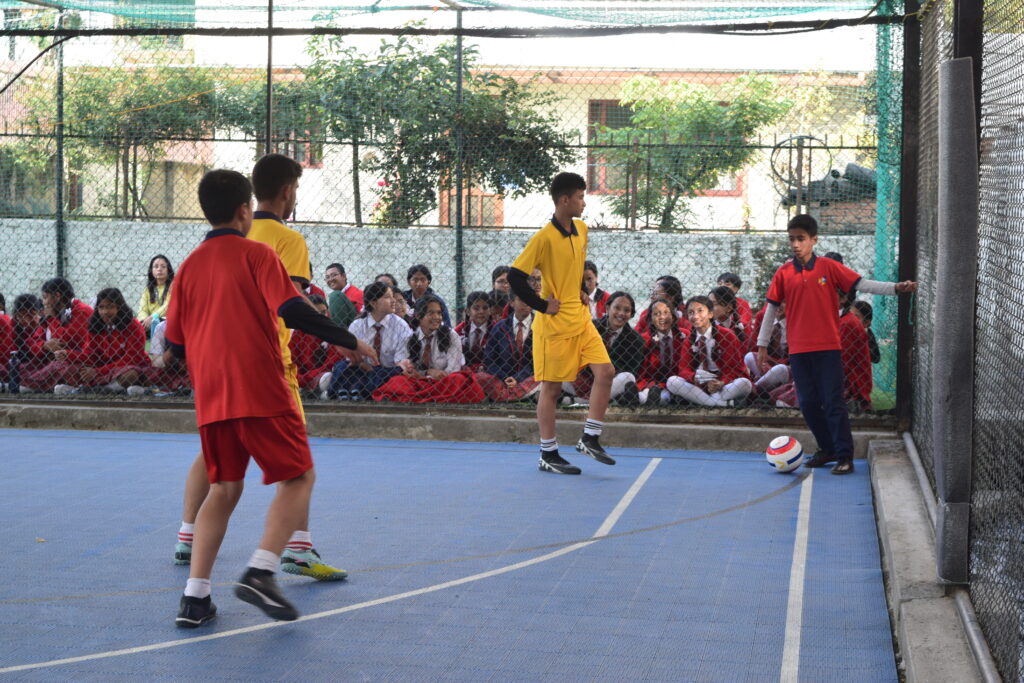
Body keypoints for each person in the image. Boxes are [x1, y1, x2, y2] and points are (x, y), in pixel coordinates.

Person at [169, 169, 376, 628]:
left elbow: (175, 343)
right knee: (298, 477)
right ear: (244, 211)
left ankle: (195, 598)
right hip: (261, 386)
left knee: (223, 490)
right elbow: (292, 309)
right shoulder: (259, 254)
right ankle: (263, 569)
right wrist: (348, 338)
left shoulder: (187, 267)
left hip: (212, 396)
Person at [756, 214, 916, 475]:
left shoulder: (829, 267)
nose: (795, 244)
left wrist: (896, 288)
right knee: (807, 403)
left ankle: (844, 455)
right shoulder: (784, 273)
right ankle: (827, 448)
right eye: (792, 239)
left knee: (833, 402)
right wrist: (762, 345)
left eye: (801, 239)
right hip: (798, 350)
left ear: (814, 240)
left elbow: (862, 284)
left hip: (828, 349)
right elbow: (771, 309)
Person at [507, 171, 616, 475]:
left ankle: (590, 437)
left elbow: (573, 267)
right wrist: (542, 304)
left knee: (606, 372)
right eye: (580, 197)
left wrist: (578, 290)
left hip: (581, 319)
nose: (584, 202)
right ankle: (548, 453)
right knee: (551, 390)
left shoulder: (581, 229)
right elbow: (515, 276)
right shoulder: (543, 238)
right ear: (564, 200)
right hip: (553, 325)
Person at [372, 295, 485, 403]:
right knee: (398, 380)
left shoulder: (451, 335)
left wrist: (436, 376)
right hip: (420, 382)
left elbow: (453, 369)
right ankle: (435, 397)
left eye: (439, 313)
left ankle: (417, 398)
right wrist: (426, 373)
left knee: (458, 379)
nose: (437, 317)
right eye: (431, 313)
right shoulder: (409, 338)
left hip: (444, 382)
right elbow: (406, 367)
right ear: (418, 316)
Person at [56, 287, 150, 395]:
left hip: (123, 368)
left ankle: (98, 390)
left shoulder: (133, 326)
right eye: (101, 307)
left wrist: (97, 372)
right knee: (70, 370)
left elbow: (132, 359)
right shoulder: (96, 326)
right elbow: (91, 355)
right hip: (103, 368)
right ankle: (110, 389)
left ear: (119, 307)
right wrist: (68, 354)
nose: (105, 312)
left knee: (131, 374)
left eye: (110, 307)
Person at [328, 281, 411, 400]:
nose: (394, 301)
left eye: (393, 296)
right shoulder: (357, 325)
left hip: (388, 371)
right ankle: (355, 392)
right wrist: (366, 367)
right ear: (373, 303)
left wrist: (379, 371)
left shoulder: (401, 326)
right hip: (361, 368)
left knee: (396, 374)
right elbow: (352, 358)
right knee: (342, 366)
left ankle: (356, 390)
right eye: (387, 297)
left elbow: (400, 362)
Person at [666, 295, 752, 407]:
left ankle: (704, 401)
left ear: (711, 314)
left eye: (700, 311)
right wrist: (695, 378)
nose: (695, 316)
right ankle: (722, 404)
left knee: (745, 384)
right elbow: (683, 369)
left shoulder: (727, 335)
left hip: (723, 385)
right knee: (672, 381)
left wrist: (721, 382)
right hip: (700, 384)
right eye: (691, 312)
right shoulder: (689, 339)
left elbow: (734, 369)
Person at [567, 291, 644, 407]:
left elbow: (631, 369)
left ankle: (584, 401)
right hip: (583, 378)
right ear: (607, 308)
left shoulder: (636, 340)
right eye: (617, 308)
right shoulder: (591, 327)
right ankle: (586, 400)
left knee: (628, 377)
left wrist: (605, 370)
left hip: (609, 382)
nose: (621, 313)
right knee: (560, 370)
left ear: (631, 315)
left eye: (627, 310)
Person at [18, 278, 94, 393]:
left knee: (61, 366)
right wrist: (44, 345)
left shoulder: (81, 311)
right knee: (22, 367)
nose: (43, 302)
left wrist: (52, 319)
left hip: (76, 361)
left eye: (45, 297)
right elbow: (32, 344)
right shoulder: (52, 313)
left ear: (57, 296)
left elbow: (63, 342)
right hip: (52, 360)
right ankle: (32, 384)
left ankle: (28, 385)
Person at [475, 291, 540, 402]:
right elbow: (489, 360)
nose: (527, 303)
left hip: (529, 376)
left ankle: (504, 395)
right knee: (480, 377)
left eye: (530, 299)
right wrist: (505, 377)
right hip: (502, 378)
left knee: (545, 378)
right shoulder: (500, 327)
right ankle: (524, 395)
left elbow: (539, 362)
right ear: (511, 302)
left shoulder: (540, 326)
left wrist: (518, 378)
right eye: (522, 299)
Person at [289, 294, 344, 395]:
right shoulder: (298, 333)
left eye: (324, 312)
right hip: (302, 376)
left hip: (322, 375)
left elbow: (330, 364)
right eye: (316, 313)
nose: (321, 317)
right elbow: (292, 360)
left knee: (326, 378)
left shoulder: (333, 332)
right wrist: (300, 378)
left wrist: (306, 378)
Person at [636, 299, 686, 406]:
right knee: (650, 394)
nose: (662, 317)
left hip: (675, 382)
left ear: (673, 316)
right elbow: (642, 371)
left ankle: (645, 398)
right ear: (650, 319)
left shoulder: (684, 336)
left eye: (666, 313)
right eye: (656, 314)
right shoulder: (645, 339)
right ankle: (636, 397)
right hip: (651, 381)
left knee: (664, 397)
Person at [744, 302, 790, 395]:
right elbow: (754, 346)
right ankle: (771, 386)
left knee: (780, 369)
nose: (778, 305)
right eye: (775, 302)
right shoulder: (762, 316)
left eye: (784, 302)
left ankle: (752, 392)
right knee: (749, 357)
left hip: (786, 366)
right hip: (766, 364)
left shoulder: (796, 319)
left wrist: (777, 366)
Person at [5, 294, 46, 392]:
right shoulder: (14, 324)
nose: (26, 320)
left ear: (39, 312)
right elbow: (11, 350)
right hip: (19, 362)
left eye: (30, 315)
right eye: (20, 315)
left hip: (39, 361)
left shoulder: (44, 323)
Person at [455, 291, 493, 371]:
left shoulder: (496, 330)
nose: (481, 311)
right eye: (476, 308)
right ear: (468, 311)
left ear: (490, 311)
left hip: (489, 370)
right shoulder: (459, 330)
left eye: (485, 308)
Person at [137, 255, 174, 336]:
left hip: (166, 320)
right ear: (151, 270)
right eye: (156, 266)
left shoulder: (173, 286)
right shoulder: (148, 289)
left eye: (163, 267)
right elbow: (142, 309)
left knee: (157, 323)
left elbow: (169, 305)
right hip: (148, 321)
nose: (159, 269)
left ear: (168, 270)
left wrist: (152, 317)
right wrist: (144, 320)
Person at [324, 263, 358, 329]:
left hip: (355, 330)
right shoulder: (338, 295)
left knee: (335, 296)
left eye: (333, 275)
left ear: (344, 276)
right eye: (327, 277)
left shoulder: (356, 293)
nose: (330, 279)